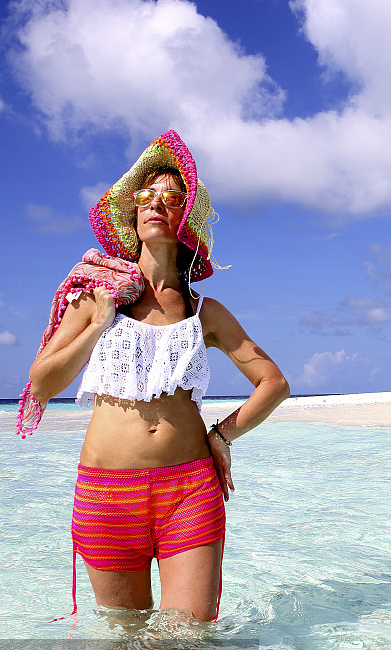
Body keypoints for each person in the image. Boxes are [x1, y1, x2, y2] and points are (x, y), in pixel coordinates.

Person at [18, 131, 289, 622]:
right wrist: (98, 324)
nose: (155, 204)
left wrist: (223, 435)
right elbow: (41, 384)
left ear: (186, 219)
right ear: (132, 213)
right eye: (145, 196)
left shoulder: (206, 312)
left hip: (189, 490)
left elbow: (274, 383)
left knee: (187, 644)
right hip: (107, 494)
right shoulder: (94, 297)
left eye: (170, 198)